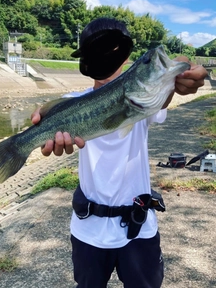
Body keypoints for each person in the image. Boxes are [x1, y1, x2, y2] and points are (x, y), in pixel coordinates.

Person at [31, 17, 207, 288]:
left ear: (125, 58)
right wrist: (37, 131)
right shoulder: (70, 103)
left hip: (139, 230)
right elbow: (44, 121)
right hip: (88, 230)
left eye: (113, 50)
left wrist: (180, 76)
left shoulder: (142, 106)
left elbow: (166, 88)